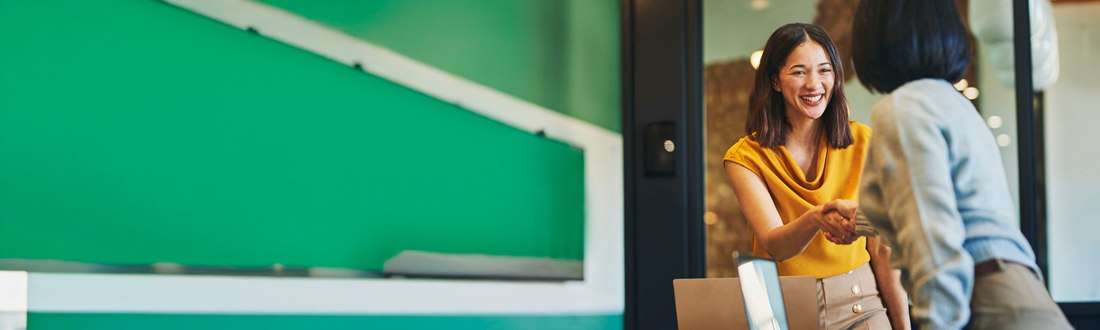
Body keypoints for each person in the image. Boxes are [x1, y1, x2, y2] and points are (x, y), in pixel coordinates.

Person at [822, 0, 1075, 329]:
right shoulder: (952, 102)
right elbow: (955, 211)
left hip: (987, 300)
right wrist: (862, 220)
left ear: (876, 37)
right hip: (1015, 292)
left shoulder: (902, 109)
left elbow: (934, 247)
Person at [723, 23, 909, 330]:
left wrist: (904, 327)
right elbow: (776, 246)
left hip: (861, 304)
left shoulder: (865, 142)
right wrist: (817, 218)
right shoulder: (745, 158)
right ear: (775, 81)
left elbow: (883, 247)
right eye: (798, 72)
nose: (814, 84)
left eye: (825, 70)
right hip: (780, 311)